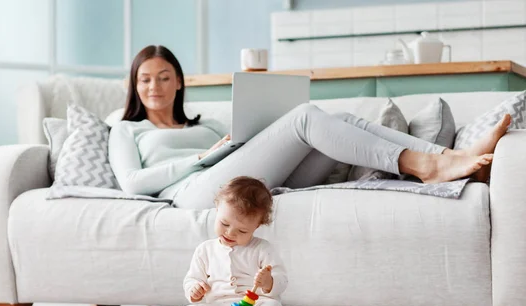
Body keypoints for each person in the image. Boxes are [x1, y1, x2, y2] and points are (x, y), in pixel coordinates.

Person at [108, 45, 511, 209]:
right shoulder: (127, 129)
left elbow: (244, 155)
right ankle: (424, 166)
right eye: (145, 78)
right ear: (134, 84)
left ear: (179, 81)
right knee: (304, 116)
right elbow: (132, 183)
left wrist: (232, 144)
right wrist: (202, 157)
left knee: (340, 121)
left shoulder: (210, 123)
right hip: (194, 194)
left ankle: (450, 157)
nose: (154, 86)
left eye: (163, 77)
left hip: (239, 173)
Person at [179, 176, 287, 306]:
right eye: (224, 223)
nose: (230, 233)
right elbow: (192, 278)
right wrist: (194, 289)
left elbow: (282, 280)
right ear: (217, 209)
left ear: (256, 226)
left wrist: (269, 282)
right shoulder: (205, 250)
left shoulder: (263, 249)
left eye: (242, 231)